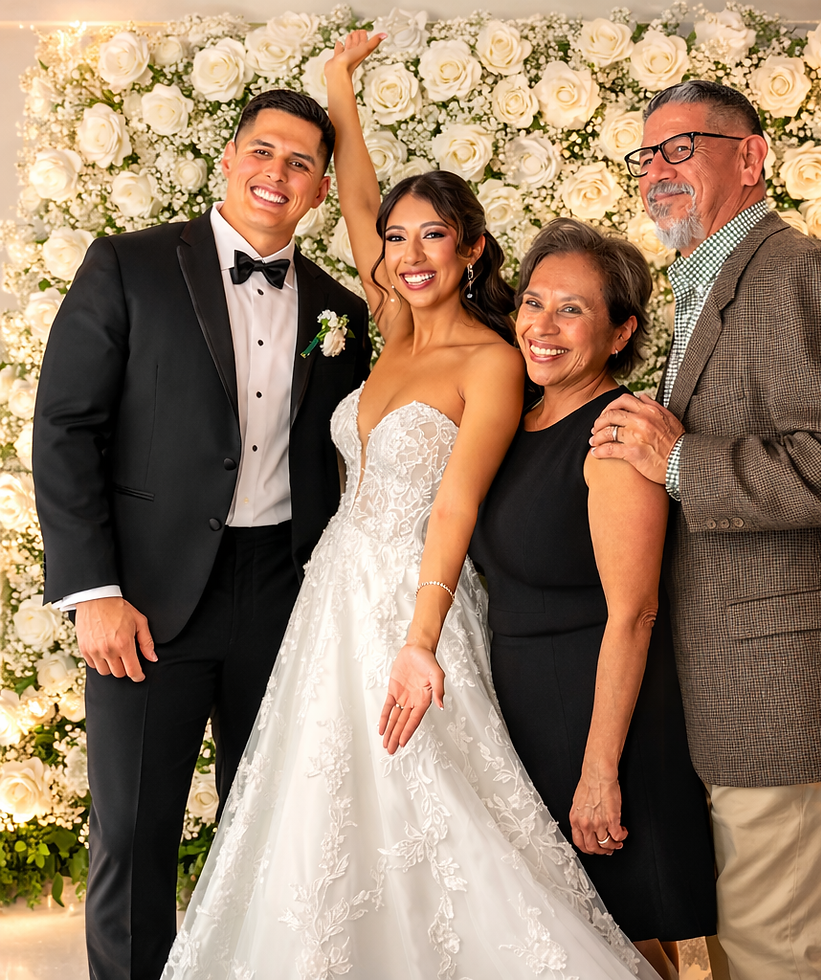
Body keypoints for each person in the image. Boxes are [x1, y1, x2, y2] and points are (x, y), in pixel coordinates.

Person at [160, 33, 664, 980]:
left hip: (414, 597)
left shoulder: (493, 359)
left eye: (435, 235)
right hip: (333, 594)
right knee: (318, 810)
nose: (407, 252)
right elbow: (358, 197)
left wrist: (421, 640)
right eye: (397, 239)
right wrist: (339, 90)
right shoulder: (387, 322)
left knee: (434, 805)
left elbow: (456, 510)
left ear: (472, 249)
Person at [32, 90, 372, 980]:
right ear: (229, 158)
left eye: (300, 164)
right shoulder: (129, 265)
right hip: (144, 597)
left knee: (268, 829)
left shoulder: (342, 311)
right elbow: (65, 426)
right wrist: (94, 593)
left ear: (321, 191)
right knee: (136, 831)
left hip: (285, 593)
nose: (277, 174)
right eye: (264, 152)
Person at [590, 79, 821, 980]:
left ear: (752, 157)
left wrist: (679, 462)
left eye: (683, 147)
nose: (659, 170)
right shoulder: (701, 286)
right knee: (794, 945)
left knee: (769, 953)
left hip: (793, 689)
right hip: (740, 685)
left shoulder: (798, 272)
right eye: (647, 154)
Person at [469, 218, 716, 980]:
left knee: (626, 954)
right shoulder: (517, 417)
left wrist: (600, 770)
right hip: (528, 721)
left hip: (602, 726)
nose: (542, 326)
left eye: (572, 310)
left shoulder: (616, 435)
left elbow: (634, 613)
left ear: (620, 332)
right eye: (533, 302)